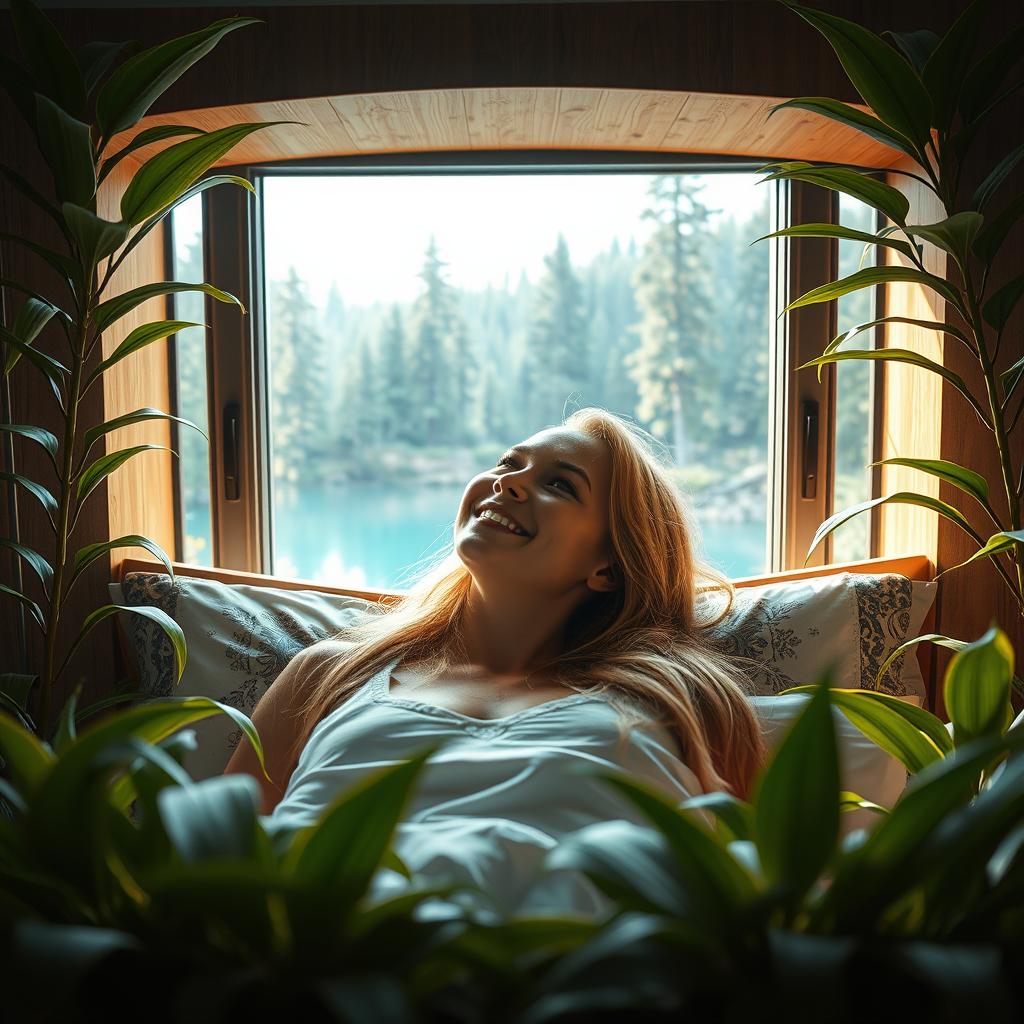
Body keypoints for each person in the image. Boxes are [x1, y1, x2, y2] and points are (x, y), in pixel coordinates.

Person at [224, 406, 767, 921]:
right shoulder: (329, 674)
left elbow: (764, 886)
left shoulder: (685, 698)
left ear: (608, 567)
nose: (508, 482)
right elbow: (216, 859)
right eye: (509, 464)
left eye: (560, 484)